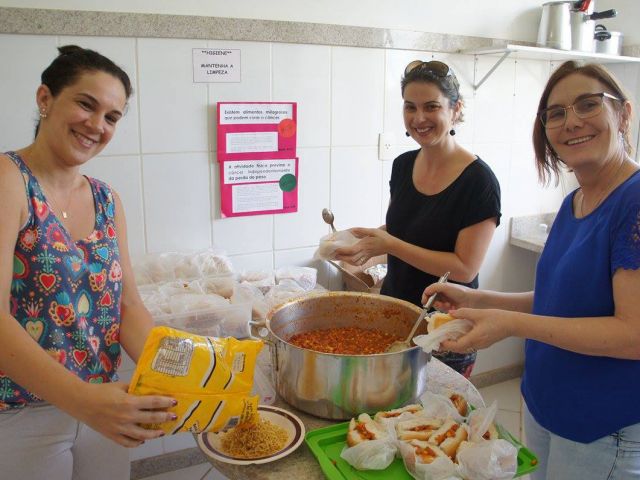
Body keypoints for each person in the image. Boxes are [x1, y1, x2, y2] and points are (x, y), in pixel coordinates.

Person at [422, 60, 640, 479]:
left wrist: (511, 325)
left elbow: (633, 334)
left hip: (601, 427)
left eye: (588, 105)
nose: (570, 122)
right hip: (547, 408)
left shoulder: (633, 203)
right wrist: (478, 298)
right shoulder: (574, 202)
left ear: (623, 113)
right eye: (555, 114)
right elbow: (564, 305)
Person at [0, 45, 175, 479]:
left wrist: (183, 375)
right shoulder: (8, 183)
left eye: (112, 117)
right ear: (45, 99)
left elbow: (128, 307)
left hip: (103, 404)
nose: (97, 125)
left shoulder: (105, 199)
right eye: (85, 104)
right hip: (22, 412)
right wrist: (83, 400)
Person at [335, 60, 501, 377]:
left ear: (455, 110)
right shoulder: (403, 165)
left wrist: (390, 244)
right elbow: (406, 230)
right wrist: (361, 245)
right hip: (395, 314)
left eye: (431, 107)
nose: (419, 118)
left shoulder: (479, 182)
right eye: (410, 107)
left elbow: (465, 268)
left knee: (437, 421)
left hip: (444, 326)